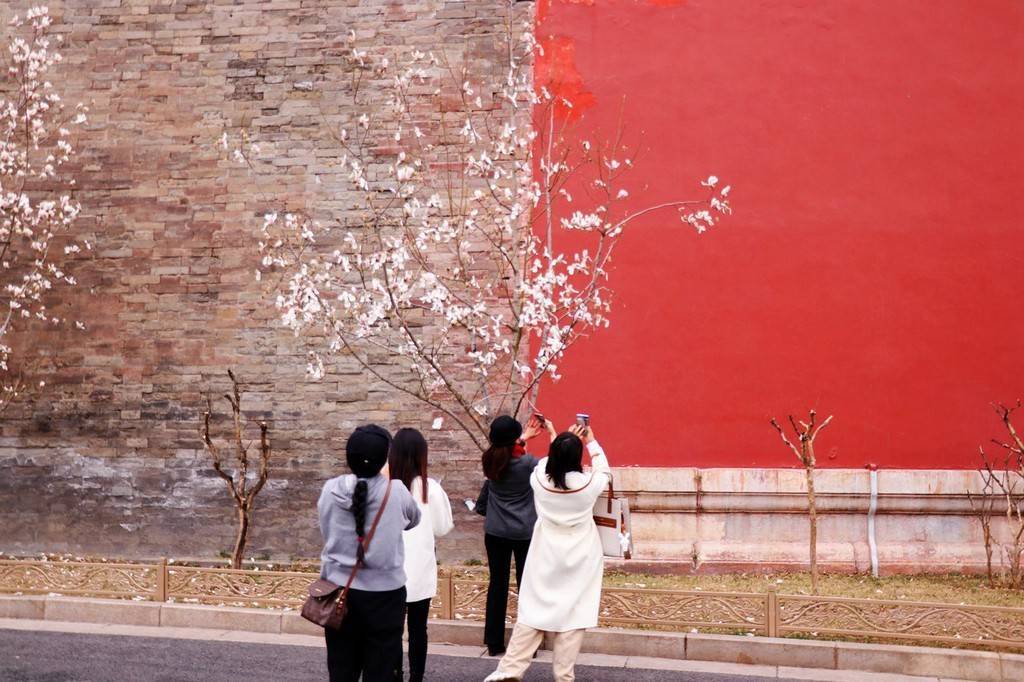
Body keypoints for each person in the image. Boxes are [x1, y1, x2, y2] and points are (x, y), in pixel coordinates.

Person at [484, 424, 611, 682]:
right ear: (577, 458)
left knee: (533, 609)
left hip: (544, 551)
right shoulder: (588, 486)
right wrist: (592, 442)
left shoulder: (539, 478)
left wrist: (558, 438)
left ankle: (510, 669)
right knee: (573, 615)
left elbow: (546, 462)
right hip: (580, 554)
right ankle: (563, 675)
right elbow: (604, 471)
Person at [318, 424, 422, 682]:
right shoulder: (396, 491)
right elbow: (413, 520)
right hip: (386, 596)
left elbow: (324, 525)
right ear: (385, 459)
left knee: (341, 668)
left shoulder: (330, 489)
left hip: (339, 591)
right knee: (381, 670)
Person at [474, 414, 554, 656]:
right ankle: (527, 645)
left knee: (497, 584)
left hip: (495, 531)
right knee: (526, 587)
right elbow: (552, 466)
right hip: (523, 532)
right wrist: (551, 432)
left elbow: (506, 450)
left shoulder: (489, 460)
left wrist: (523, 438)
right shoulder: (528, 464)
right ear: (514, 441)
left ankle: (494, 642)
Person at [388, 427, 454, 682]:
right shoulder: (430, 489)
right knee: (418, 630)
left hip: (389, 572)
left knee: (391, 629)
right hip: (420, 571)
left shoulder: (384, 488)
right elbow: (443, 527)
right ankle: (417, 676)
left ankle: (394, 674)